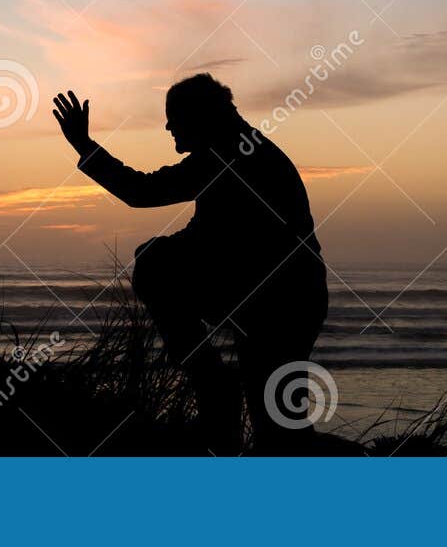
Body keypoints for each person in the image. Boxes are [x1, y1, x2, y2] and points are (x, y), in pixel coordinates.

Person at [51, 75, 329, 451]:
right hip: (281, 297)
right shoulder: (237, 151)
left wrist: (84, 145)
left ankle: (213, 382)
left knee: (278, 426)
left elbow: (142, 191)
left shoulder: (231, 154)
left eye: (173, 117)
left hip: (279, 301)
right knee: (278, 423)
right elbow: (210, 232)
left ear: (200, 116)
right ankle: (216, 389)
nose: (167, 126)